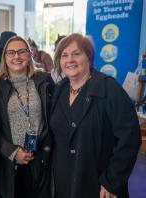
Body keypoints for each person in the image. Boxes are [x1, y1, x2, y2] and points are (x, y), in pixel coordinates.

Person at [50, 33, 141, 198]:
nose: (70, 59)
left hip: (98, 184)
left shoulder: (109, 89)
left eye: (76, 53)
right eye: (64, 55)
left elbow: (130, 138)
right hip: (62, 182)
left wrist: (111, 182)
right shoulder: (59, 90)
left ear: (89, 57)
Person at [0, 36, 54, 198]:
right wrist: (11, 152)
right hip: (10, 163)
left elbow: (53, 118)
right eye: (11, 53)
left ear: (29, 54)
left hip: (41, 159)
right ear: (5, 57)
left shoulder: (44, 80)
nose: (16, 57)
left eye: (21, 52)